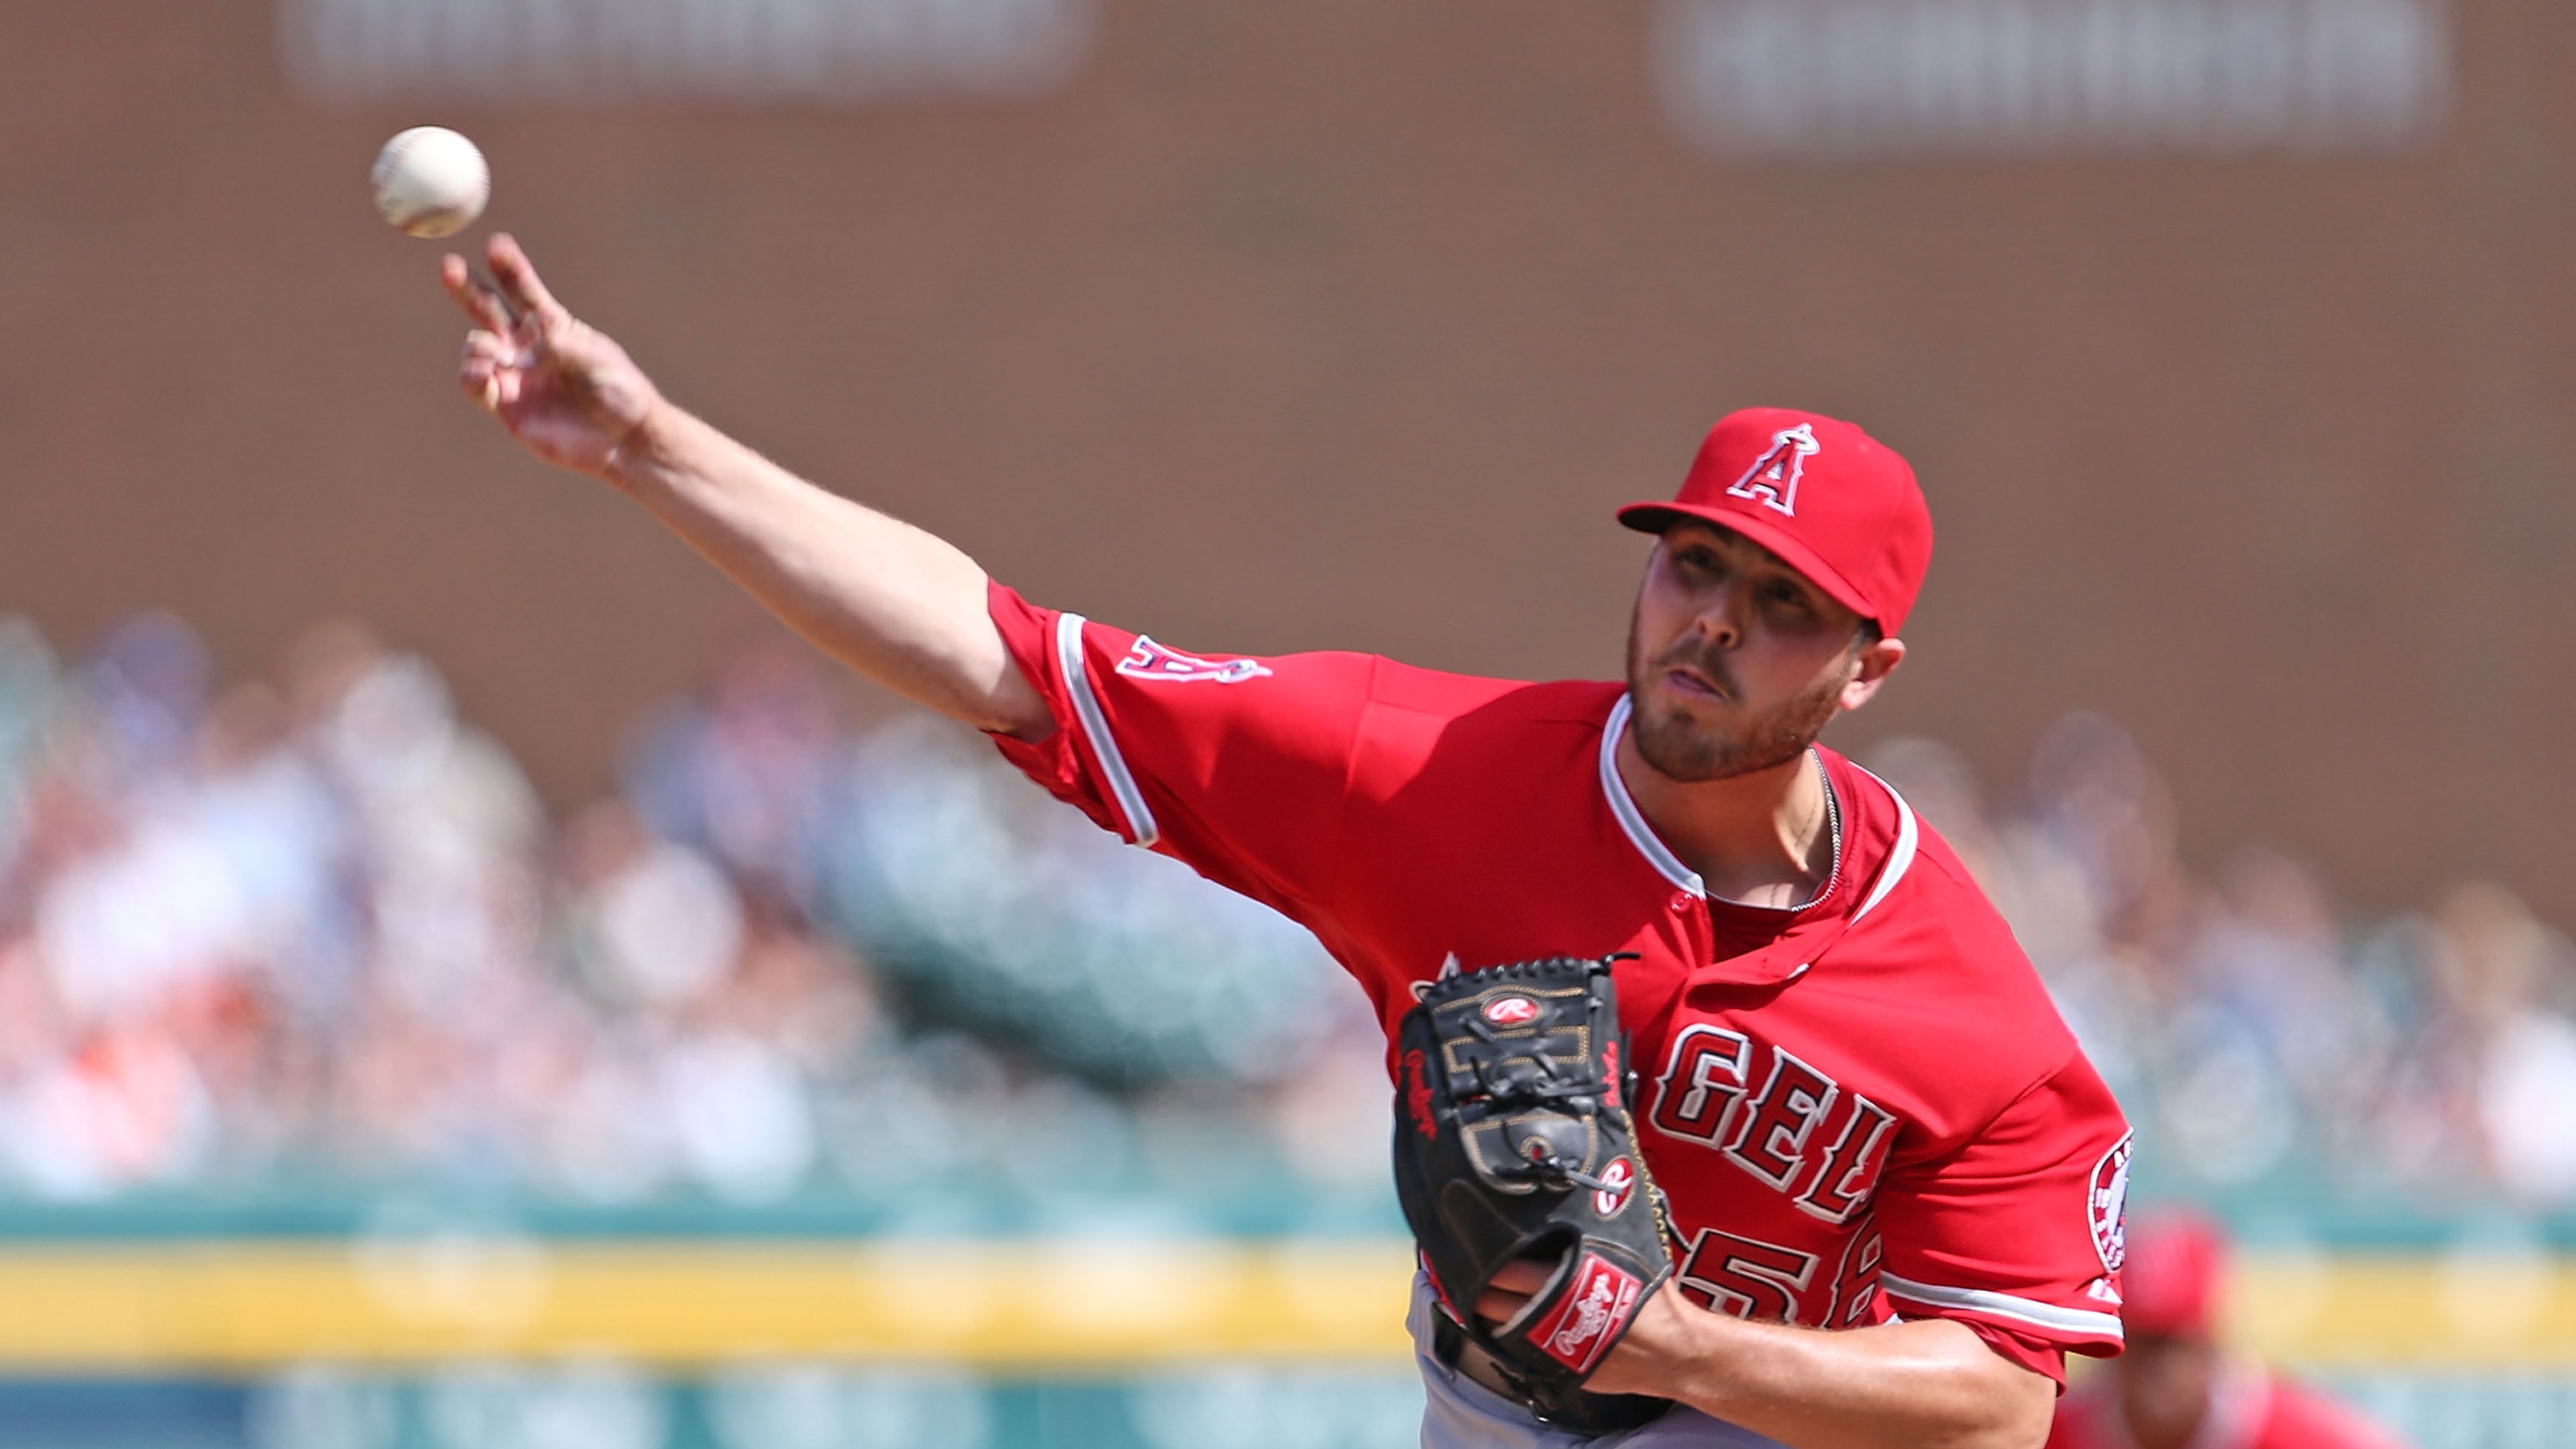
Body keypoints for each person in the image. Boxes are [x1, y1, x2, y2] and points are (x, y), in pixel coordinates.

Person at [437, 233, 2132, 1449]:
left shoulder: (1960, 992)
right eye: (1693, 563)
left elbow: (1997, 1395)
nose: (1709, 623)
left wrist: (1667, 1340)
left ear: (1864, 668)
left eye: (1778, 605)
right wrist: (652, 450)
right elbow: (1003, 653)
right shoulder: (1420, 771)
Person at [2047, 1213, 2408, 1449]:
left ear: (2213, 1340)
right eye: (2140, 1340)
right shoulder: (2053, 1431)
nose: (2157, 1368)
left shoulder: (2296, 1433)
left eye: (2175, 1343)